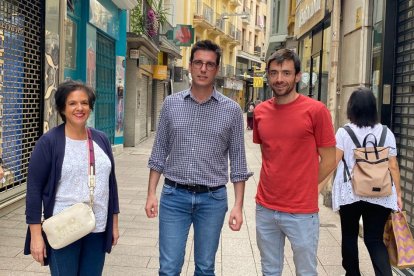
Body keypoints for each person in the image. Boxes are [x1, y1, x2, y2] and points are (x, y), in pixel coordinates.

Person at [145, 40, 252, 276]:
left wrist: (238, 206)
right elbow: (159, 152)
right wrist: (151, 193)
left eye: (210, 65)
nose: (203, 69)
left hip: (212, 200)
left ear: (217, 69)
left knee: (205, 268)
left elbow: (238, 162)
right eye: (198, 63)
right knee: (169, 268)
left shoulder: (232, 111)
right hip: (174, 196)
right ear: (190, 65)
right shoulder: (171, 104)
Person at [253, 48, 336, 275]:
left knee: (305, 271)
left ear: (298, 76)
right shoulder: (260, 112)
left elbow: (330, 159)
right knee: (270, 270)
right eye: (274, 73)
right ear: (268, 75)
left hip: (301, 211)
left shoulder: (316, 111)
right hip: (265, 208)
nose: (280, 79)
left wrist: (307, 186)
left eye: (286, 73)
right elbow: (269, 154)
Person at [24, 80, 120, 275]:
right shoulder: (49, 142)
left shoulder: (101, 139)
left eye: (84, 103)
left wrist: (114, 224)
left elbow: (111, 186)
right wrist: (36, 236)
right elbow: (34, 190)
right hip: (64, 228)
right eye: (72, 103)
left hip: (97, 227)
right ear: (62, 108)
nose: (79, 108)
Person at [329, 87, 402, 275]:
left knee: (350, 235)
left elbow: (333, 162)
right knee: (374, 238)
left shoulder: (344, 133)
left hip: (350, 193)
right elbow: (393, 166)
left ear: (351, 108)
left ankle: (352, 273)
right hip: (380, 192)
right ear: (373, 108)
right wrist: (399, 195)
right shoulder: (386, 133)